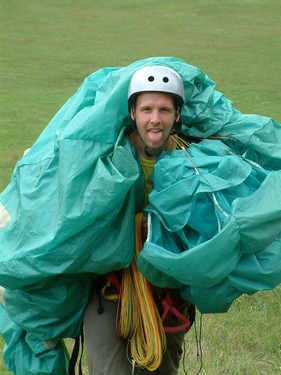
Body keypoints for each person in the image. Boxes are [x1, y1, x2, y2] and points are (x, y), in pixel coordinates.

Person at [83, 65, 195, 375]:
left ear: (176, 115)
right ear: (132, 112)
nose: (155, 118)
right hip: (109, 288)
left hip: (166, 292)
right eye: (146, 109)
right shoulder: (109, 155)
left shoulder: (192, 161)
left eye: (164, 109)